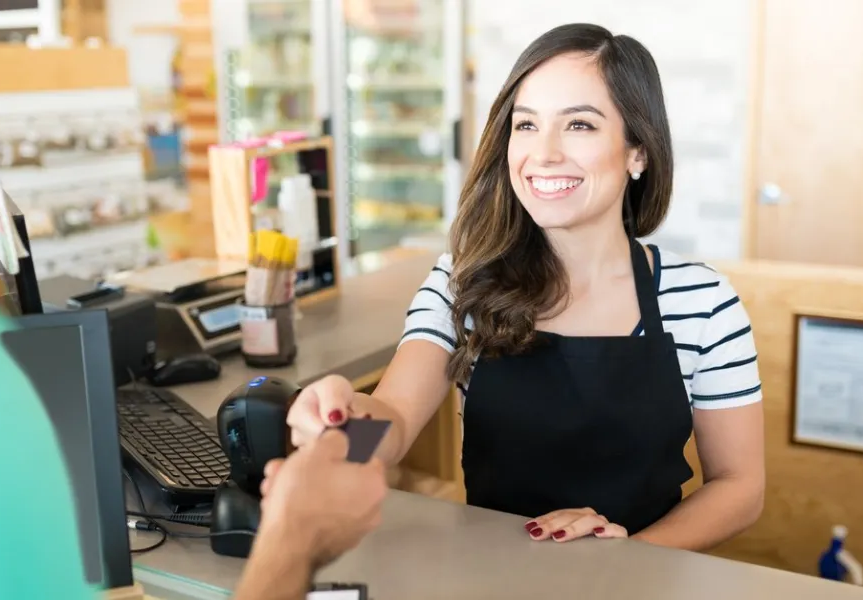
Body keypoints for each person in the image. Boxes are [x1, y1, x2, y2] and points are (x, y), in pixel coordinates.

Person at [0, 2, 384, 599]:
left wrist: (339, 454)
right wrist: (323, 479)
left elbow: (390, 424)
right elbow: (396, 419)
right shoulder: (462, 279)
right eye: (511, 125)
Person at [288, 23, 766, 551]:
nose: (544, 153)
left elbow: (740, 487)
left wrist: (629, 554)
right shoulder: (462, 282)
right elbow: (394, 424)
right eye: (527, 125)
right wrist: (344, 429)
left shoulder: (702, 302)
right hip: (495, 579)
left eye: (580, 125)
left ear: (638, 152)